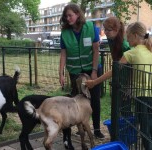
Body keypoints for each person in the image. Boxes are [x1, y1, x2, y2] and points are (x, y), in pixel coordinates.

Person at [86, 22, 152, 150]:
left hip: (141, 97)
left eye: (128, 35)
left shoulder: (131, 53)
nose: (127, 39)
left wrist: (94, 82)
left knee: (144, 128)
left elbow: (114, 71)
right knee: (150, 124)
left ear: (135, 35)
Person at [58, 3, 104, 139]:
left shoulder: (91, 28)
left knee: (94, 100)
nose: (68, 18)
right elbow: (63, 54)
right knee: (78, 101)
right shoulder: (65, 33)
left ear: (78, 14)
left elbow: (96, 50)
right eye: (66, 16)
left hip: (92, 69)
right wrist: (60, 73)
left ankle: (96, 129)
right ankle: (82, 128)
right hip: (75, 72)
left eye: (70, 15)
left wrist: (94, 71)